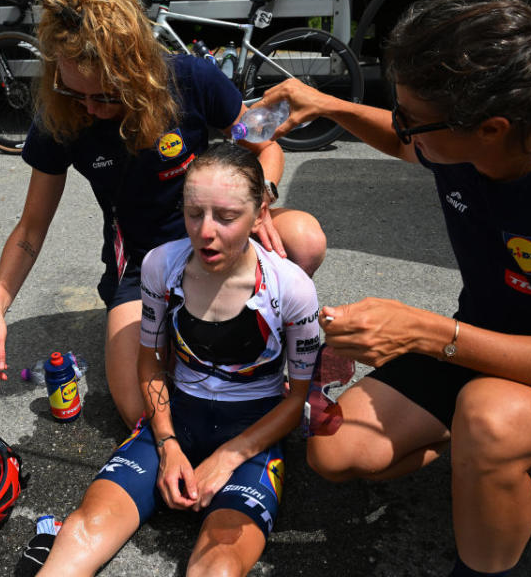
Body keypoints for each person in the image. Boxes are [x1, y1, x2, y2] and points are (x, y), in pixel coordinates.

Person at [257, 0, 531, 577]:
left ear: (492, 127)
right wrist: (322, 104)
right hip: (476, 349)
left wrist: (428, 333)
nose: (404, 130)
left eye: (413, 119)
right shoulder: (458, 145)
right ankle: (480, 458)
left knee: (487, 415)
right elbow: (401, 140)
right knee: (336, 451)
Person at [0, 0, 326, 427]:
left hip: (216, 239)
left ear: (135, 71)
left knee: (305, 239)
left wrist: (264, 203)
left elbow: (267, 145)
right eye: (71, 92)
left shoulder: (192, 80)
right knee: (139, 414)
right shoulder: (60, 118)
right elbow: (30, 230)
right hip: (141, 263)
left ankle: (271, 333)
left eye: (102, 95)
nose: (89, 109)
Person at [16, 142, 321, 577]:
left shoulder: (290, 288)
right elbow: (151, 364)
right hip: (177, 417)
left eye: (227, 217)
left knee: (216, 568)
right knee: (83, 531)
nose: (205, 232)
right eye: (193, 213)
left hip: (253, 430)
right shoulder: (162, 264)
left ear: (259, 215)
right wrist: (167, 442)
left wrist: (230, 456)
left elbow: (297, 401)